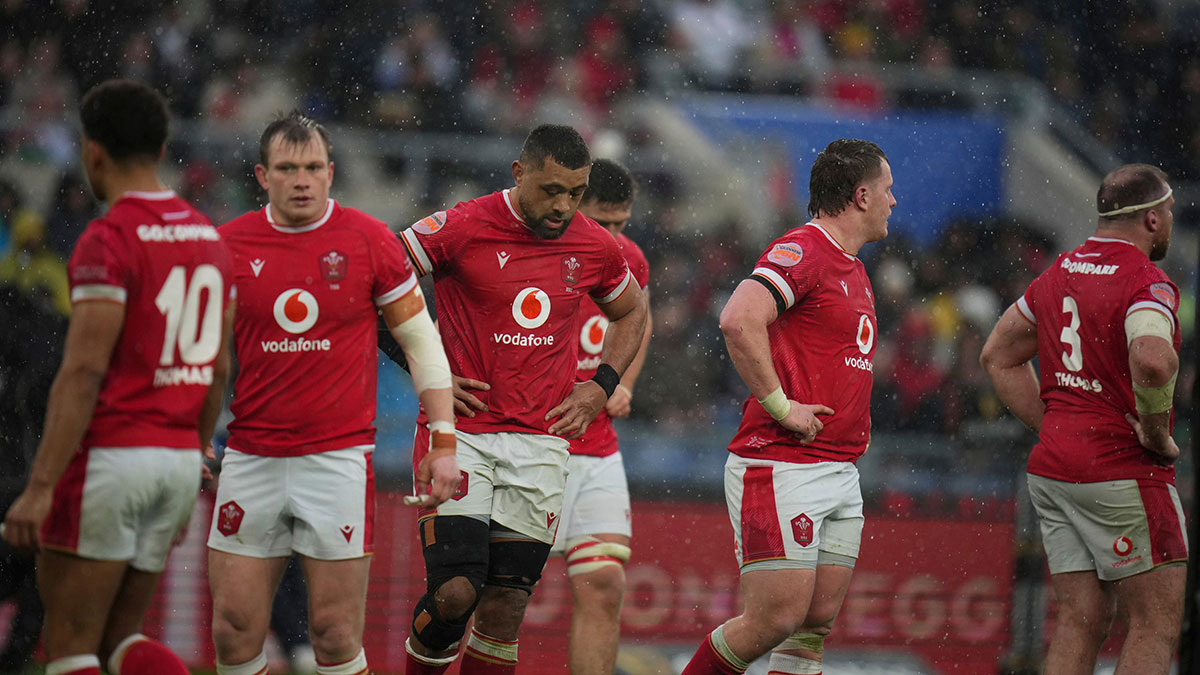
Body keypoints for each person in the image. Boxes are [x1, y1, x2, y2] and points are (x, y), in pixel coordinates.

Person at [207, 111, 459, 675]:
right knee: (233, 631)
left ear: (331, 172)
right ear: (261, 174)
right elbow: (203, 354)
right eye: (287, 168)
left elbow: (421, 343)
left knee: (335, 632)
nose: (302, 179)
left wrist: (444, 442)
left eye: (313, 167)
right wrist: (189, 436)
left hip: (337, 461)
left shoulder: (368, 241)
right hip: (251, 458)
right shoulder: (227, 245)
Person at [1, 78, 236, 675]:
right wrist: (192, 451)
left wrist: (40, 485)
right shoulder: (209, 239)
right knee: (122, 642)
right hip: (176, 460)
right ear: (161, 152)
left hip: (112, 458)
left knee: (71, 645)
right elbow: (217, 369)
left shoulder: (107, 239)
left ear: (92, 151)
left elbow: (82, 371)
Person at [398, 124, 648, 675]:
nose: (563, 206)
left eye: (575, 193)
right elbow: (385, 281)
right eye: (551, 190)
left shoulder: (593, 244)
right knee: (457, 593)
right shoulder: (463, 224)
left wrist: (601, 386)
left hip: (541, 444)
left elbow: (632, 310)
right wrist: (426, 369)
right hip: (462, 434)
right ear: (519, 173)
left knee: (505, 608)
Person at [682, 138, 894, 675]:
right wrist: (781, 406)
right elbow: (737, 318)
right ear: (862, 195)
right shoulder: (806, 249)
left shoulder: (853, 268)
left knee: (812, 627)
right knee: (773, 620)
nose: (896, 202)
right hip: (782, 463)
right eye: (889, 191)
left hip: (840, 468)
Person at [980, 163, 1186, 675]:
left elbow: (997, 355)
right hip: (1121, 470)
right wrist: (1156, 432)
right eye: (1170, 212)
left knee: (1080, 619)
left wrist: (1053, 425)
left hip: (1055, 471)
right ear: (1153, 220)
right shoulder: (1146, 279)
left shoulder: (1061, 270)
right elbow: (1154, 358)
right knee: (1154, 623)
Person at [549, 158, 651, 674]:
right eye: (602, 221)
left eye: (621, 224)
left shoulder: (628, 259)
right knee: (499, 597)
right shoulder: (541, 254)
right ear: (573, 204)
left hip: (596, 448)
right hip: (532, 445)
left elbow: (641, 316)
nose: (613, 235)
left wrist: (622, 382)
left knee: (605, 585)